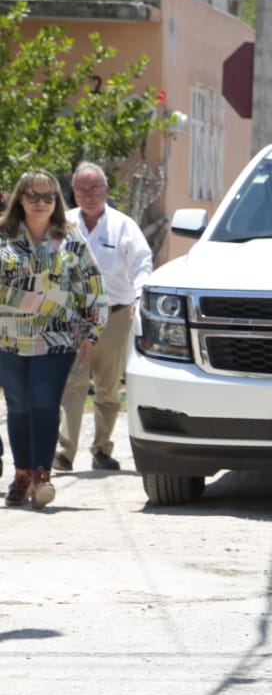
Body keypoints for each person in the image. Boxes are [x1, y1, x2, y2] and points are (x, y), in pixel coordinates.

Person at [0, 169, 105, 509]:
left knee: (44, 404)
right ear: (20, 199)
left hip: (57, 337)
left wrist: (91, 332)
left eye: (48, 196)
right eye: (33, 195)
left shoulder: (70, 237)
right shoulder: (3, 235)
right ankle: (22, 473)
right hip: (8, 339)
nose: (41, 202)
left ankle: (42, 476)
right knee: (18, 407)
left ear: (57, 201)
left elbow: (91, 285)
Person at [55, 162, 153, 472]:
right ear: (73, 192)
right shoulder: (64, 224)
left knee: (108, 386)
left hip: (115, 314)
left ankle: (101, 449)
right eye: (82, 189)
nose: (89, 195)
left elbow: (142, 263)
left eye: (95, 188)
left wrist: (139, 295)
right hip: (74, 316)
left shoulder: (124, 226)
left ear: (106, 191)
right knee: (72, 383)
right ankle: (65, 452)